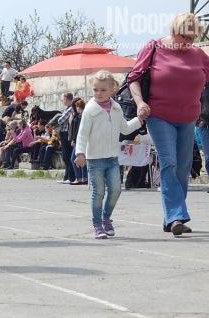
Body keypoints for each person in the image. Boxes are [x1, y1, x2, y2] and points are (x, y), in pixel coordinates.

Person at [129, 13, 209, 236]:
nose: (189, 43)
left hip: (188, 117)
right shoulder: (153, 47)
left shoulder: (198, 54)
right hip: (159, 115)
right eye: (186, 37)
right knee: (169, 163)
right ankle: (177, 217)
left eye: (193, 38)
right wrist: (140, 102)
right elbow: (133, 77)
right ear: (174, 31)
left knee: (184, 168)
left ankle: (171, 217)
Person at [75, 70, 143, 239]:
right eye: (95, 90)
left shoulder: (116, 108)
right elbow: (82, 134)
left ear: (113, 89)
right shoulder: (90, 110)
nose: (99, 93)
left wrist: (139, 120)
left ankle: (106, 218)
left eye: (103, 90)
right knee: (98, 192)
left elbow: (125, 128)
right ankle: (97, 225)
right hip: (94, 159)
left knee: (115, 190)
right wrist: (80, 153)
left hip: (112, 158)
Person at [57, 93, 76, 183]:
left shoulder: (70, 109)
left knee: (67, 155)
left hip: (66, 133)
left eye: (64, 99)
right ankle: (66, 176)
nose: (63, 101)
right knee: (65, 156)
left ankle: (70, 177)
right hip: (63, 133)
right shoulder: (67, 109)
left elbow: (61, 120)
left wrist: (59, 118)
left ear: (68, 99)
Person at [69, 99, 88, 185]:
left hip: (78, 140)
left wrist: (74, 139)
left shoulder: (81, 117)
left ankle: (80, 177)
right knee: (81, 158)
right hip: (78, 140)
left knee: (74, 158)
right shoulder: (81, 116)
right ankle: (83, 177)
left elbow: (78, 130)